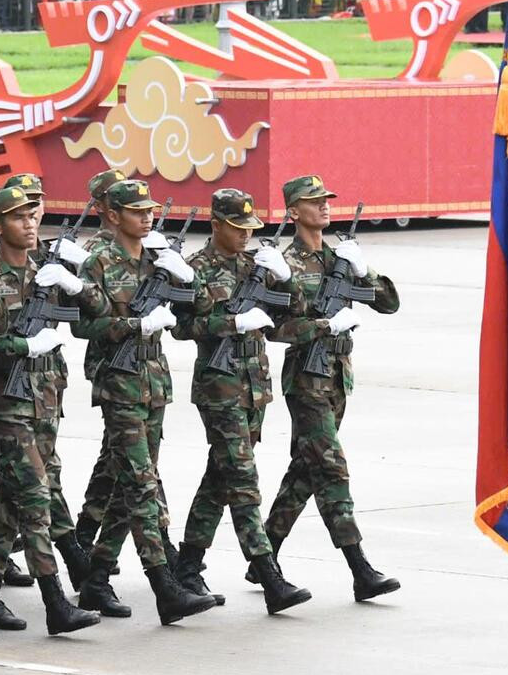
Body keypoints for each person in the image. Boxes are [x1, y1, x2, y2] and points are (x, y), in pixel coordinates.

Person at [72, 178, 216, 624]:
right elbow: (81, 328)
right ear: (112, 215)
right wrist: (131, 325)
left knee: (125, 484)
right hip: (118, 384)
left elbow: (200, 309)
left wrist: (189, 277)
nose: (146, 216)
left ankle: (95, 580)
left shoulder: (157, 260)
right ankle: (164, 586)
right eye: (136, 210)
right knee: (140, 483)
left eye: (149, 209)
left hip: (154, 382)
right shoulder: (97, 262)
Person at [263, 175, 402, 599]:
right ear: (293, 212)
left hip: (338, 375)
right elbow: (274, 329)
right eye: (313, 201)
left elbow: (389, 303)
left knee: (306, 469)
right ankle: (360, 569)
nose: (324, 207)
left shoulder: (340, 256)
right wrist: (322, 324)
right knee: (331, 467)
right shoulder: (285, 263)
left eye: (326, 200)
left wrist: (364, 269)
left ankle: (264, 555)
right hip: (306, 377)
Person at [0, 184, 100, 635]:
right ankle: (56, 601)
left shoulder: (48, 267)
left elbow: (94, 314)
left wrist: (75, 282)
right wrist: (19, 343)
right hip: (7, 400)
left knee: (11, 497)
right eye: (18, 217)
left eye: (33, 215)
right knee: (35, 497)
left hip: (47, 397)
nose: (29, 224)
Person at [174, 188, 310, 613]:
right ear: (215, 225)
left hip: (255, 385)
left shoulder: (258, 265)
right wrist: (231, 321)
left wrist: (287, 278)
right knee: (243, 481)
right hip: (219, 386)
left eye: (250, 229)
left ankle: (187, 564)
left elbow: (293, 314)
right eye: (237, 229)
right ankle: (268, 574)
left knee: (222, 477)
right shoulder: (194, 269)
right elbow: (181, 326)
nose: (246, 237)